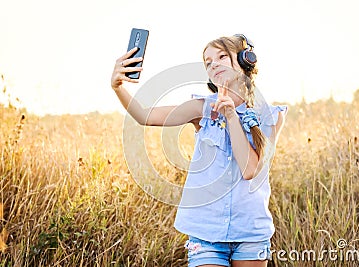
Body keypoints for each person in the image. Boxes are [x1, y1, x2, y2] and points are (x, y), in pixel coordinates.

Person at [111, 34, 287, 267]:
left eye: (222, 56)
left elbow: (249, 169)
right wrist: (118, 87)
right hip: (206, 232)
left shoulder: (271, 116)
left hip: (250, 233)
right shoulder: (201, 108)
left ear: (246, 61)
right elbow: (146, 116)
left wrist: (231, 117)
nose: (214, 63)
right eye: (208, 62)